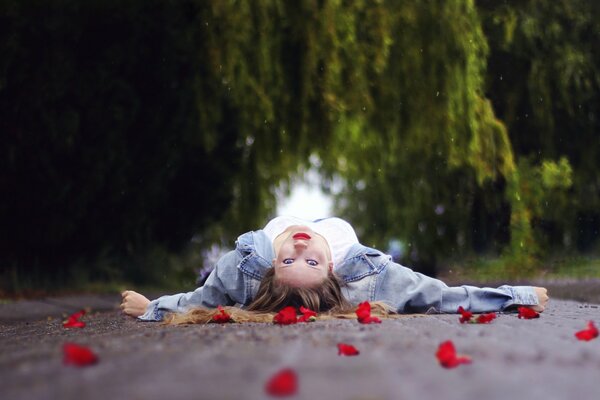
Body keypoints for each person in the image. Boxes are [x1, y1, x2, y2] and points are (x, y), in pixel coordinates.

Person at [121, 216, 549, 322]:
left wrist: (150, 307)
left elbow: (201, 300)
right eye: (309, 262)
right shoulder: (369, 276)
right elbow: (440, 295)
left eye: (290, 260)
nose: (300, 246)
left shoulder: (246, 267)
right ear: (331, 270)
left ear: (274, 264)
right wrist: (519, 295)